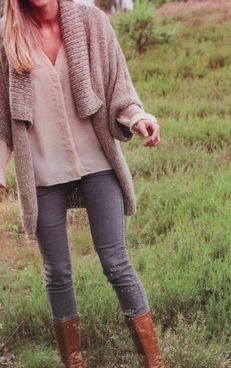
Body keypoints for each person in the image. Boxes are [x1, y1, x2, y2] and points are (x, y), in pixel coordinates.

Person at [0, 0, 165, 367]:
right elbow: (2, 122)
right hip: (43, 173)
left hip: (97, 163)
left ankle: (154, 362)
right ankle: (73, 363)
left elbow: (119, 89)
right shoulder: (6, 38)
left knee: (116, 262)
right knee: (57, 273)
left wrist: (138, 118)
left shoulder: (92, 22)